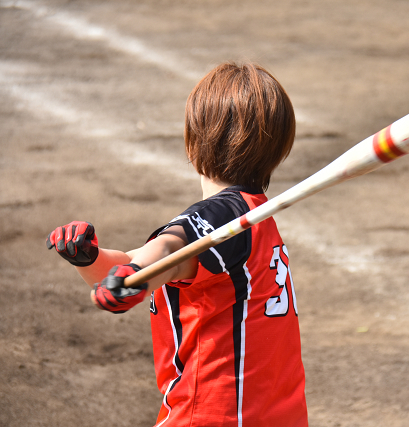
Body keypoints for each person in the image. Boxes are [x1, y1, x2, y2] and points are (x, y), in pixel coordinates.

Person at [46, 62, 308, 427]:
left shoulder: (223, 215)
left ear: (193, 139)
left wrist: (136, 275)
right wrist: (89, 258)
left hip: (211, 416)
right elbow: (141, 263)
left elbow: (169, 251)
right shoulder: (252, 217)